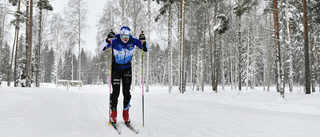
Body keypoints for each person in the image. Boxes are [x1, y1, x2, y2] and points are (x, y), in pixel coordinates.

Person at [99, 26, 149, 125]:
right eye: (124, 36)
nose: (126, 38)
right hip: (116, 69)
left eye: (127, 35)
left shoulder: (133, 39)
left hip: (127, 68)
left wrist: (143, 41)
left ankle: (126, 115)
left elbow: (146, 49)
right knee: (116, 92)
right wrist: (108, 39)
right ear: (121, 34)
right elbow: (101, 47)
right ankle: (113, 115)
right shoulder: (116, 39)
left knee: (126, 92)